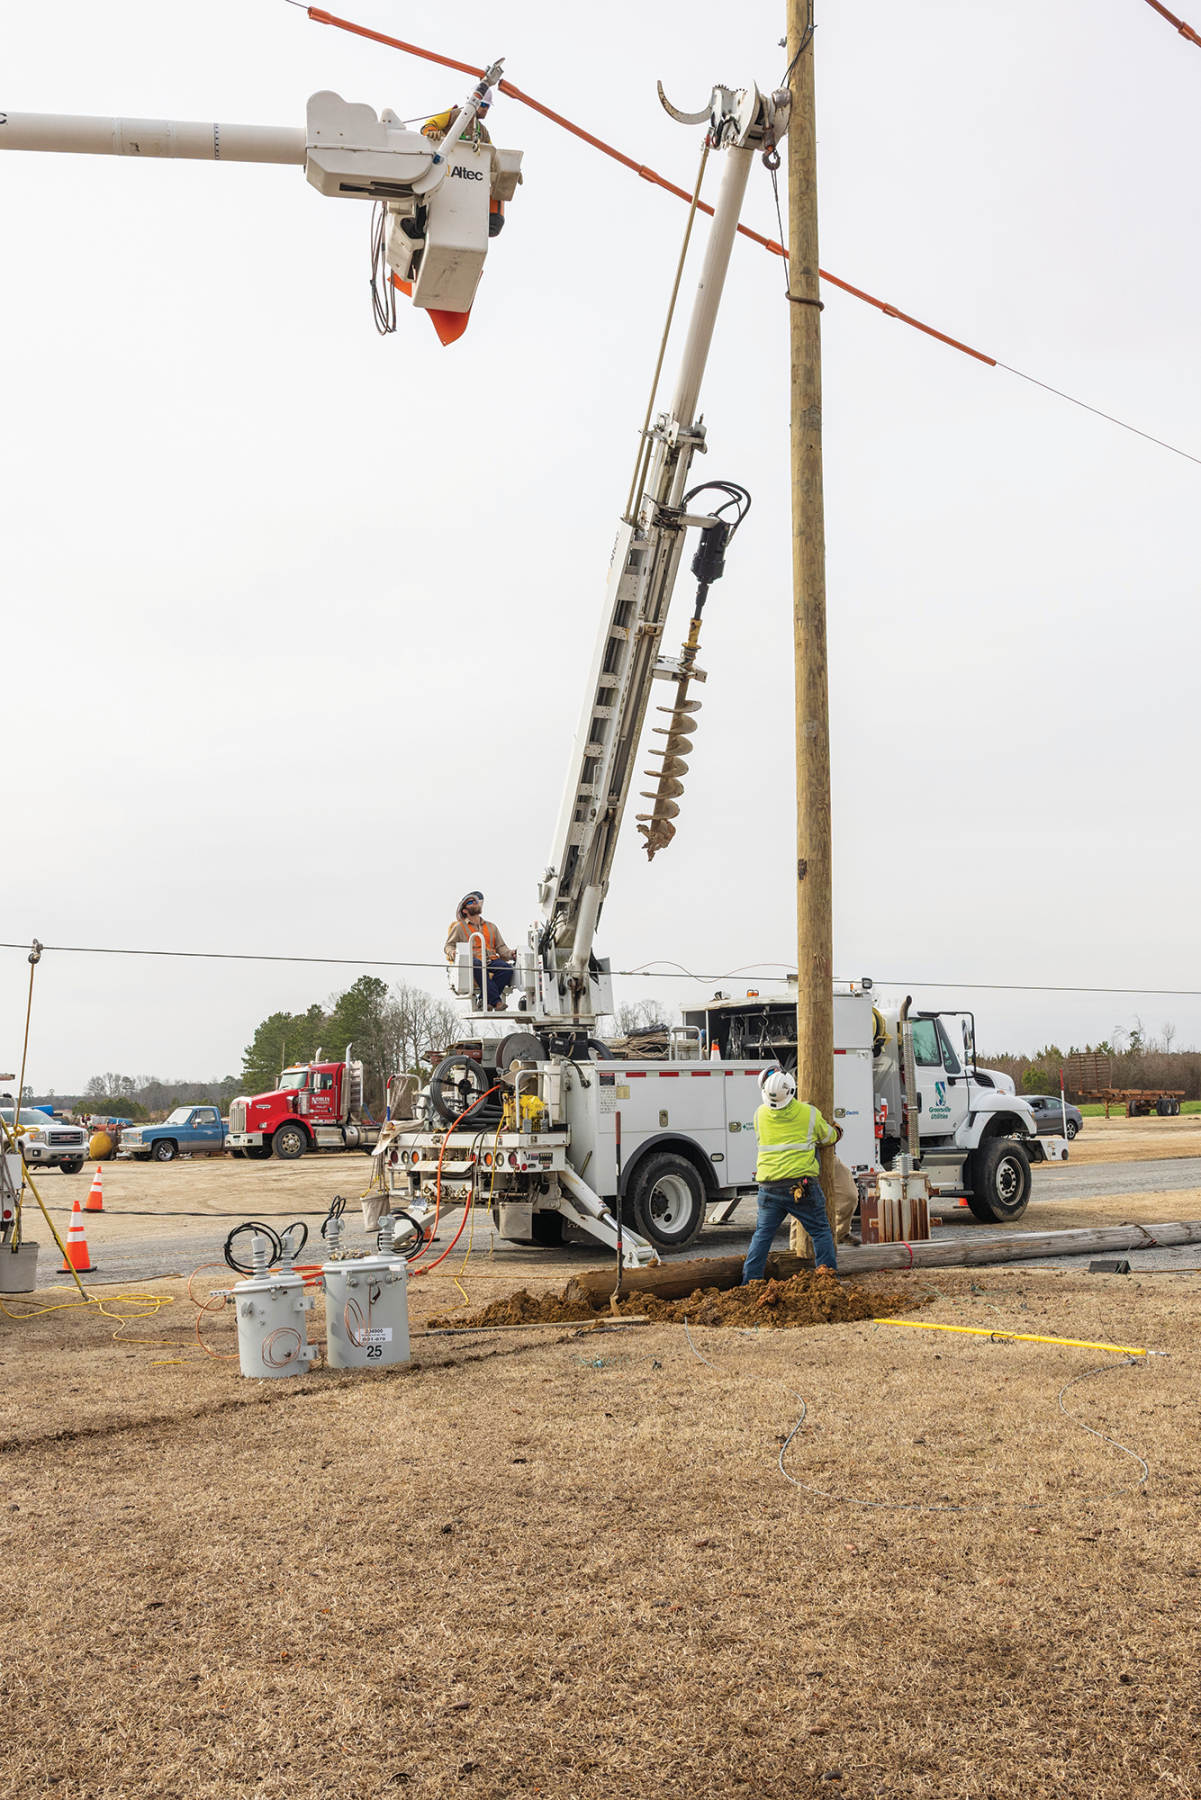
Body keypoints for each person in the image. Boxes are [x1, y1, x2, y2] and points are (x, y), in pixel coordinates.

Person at [741, 1067, 841, 1283]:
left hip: (769, 1189)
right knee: (821, 1232)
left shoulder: (759, 1114)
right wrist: (838, 1131)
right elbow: (828, 1137)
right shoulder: (809, 1113)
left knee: (762, 1237)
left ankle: (750, 1283)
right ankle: (828, 1281)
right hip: (802, 1187)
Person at [444, 891, 515, 1009]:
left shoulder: (491, 926)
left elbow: (501, 947)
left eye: (475, 902)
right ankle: (496, 1002)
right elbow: (448, 945)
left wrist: (511, 954)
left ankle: (483, 999)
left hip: (490, 959)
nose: (475, 904)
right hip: (473, 959)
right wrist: (452, 952)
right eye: (470, 902)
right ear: (464, 910)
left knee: (506, 969)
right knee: (477, 965)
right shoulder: (459, 927)